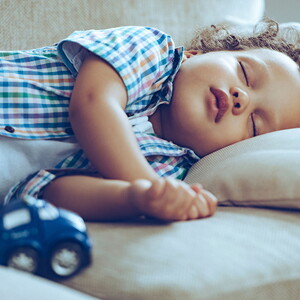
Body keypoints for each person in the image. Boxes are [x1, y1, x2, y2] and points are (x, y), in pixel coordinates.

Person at [2, 19, 300, 222]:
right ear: (195, 55)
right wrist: (144, 182)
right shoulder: (151, 50)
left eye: (254, 125)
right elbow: (93, 104)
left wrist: (135, 198)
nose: (241, 99)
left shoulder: (172, 170)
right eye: (245, 74)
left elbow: (50, 193)